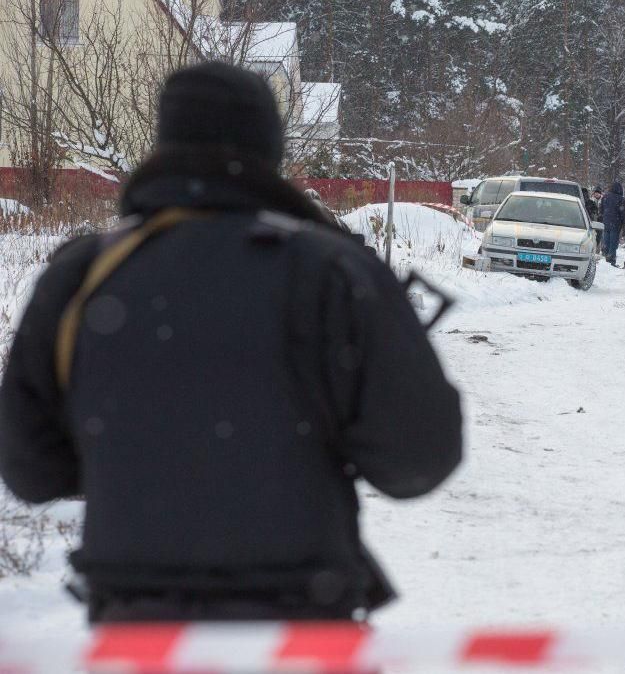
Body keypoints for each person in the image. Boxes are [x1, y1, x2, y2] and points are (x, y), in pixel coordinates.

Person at [0, 62, 464, 624]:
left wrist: (131, 456)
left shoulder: (83, 275)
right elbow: (418, 459)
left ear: (164, 141)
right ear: (269, 148)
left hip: (134, 623)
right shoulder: (334, 272)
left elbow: (29, 467)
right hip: (301, 623)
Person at [601, 182, 624, 266]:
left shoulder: (605, 196)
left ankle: (605, 254)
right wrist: (623, 222)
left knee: (606, 239)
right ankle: (611, 259)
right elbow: (622, 212)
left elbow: (601, 209)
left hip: (606, 221)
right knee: (613, 242)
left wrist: (604, 216)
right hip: (616, 223)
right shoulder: (620, 199)